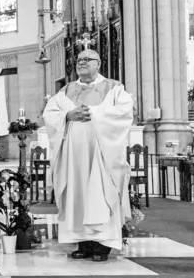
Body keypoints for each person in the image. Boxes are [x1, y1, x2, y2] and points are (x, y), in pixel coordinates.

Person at [42, 49, 134, 261]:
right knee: (77, 195)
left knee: (100, 193)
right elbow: (50, 113)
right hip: (73, 157)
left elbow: (124, 111)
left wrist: (94, 113)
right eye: (79, 60)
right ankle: (83, 242)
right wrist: (68, 114)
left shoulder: (114, 87)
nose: (81, 63)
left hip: (102, 155)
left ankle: (102, 244)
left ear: (98, 63)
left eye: (87, 60)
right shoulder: (66, 90)